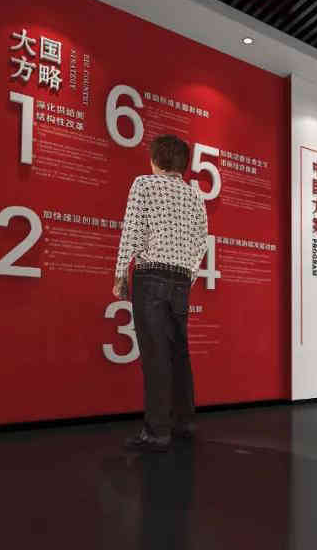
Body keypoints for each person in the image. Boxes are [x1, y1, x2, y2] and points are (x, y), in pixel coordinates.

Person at [114, 135, 209, 452]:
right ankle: (183, 422)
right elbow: (201, 240)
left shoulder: (144, 184)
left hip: (151, 275)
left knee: (155, 355)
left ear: (155, 160)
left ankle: (157, 431)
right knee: (178, 352)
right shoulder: (194, 195)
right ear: (183, 164)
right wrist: (189, 275)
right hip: (180, 278)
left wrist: (120, 273)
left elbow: (132, 230)